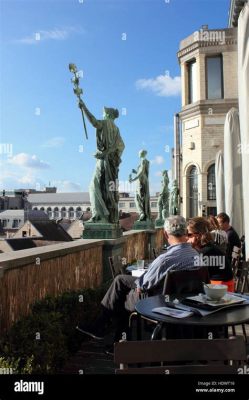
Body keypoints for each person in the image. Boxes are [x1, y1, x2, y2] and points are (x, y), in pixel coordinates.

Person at [77, 216, 199, 344]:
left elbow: (144, 285)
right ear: (185, 233)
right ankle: (109, 335)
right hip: (183, 302)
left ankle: (112, 336)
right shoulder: (195, 255)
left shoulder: (165, 260)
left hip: (159, 302)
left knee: (121, 296)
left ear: (165, 234)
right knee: (121, 282)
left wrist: (140, 283)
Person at [78, 100, 125, 224]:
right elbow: (122, 146)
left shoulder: (105, 123)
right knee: (106, 188)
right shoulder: (116, 129)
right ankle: (106, 216)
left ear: (108, 115)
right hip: (111, 164)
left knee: (93, 186)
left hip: (103, 161)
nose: (103, 115)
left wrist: (84, 107)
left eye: (104, 113)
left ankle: (99, 216)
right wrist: (113, 156)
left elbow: (93, 121)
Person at [187, 217, 234, 292]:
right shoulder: (210, 247)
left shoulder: (205, 252)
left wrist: (189, 248)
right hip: (225, 288)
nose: (186, 237)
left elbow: (192, 275)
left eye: (189, 234)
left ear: (198, 235)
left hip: (219, 290)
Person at [129, 150, 151, 221]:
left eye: (139, 152)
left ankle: (142, 213)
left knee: (137, 198)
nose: (138, 154)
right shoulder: (146, 161)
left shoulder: (143, 160)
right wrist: (135, 171)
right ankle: (144, 215)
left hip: (141, 181)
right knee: (143, 198)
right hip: (144, 180)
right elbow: (143, 172)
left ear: (141, 153)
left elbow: (141, 172)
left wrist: (133, 179)